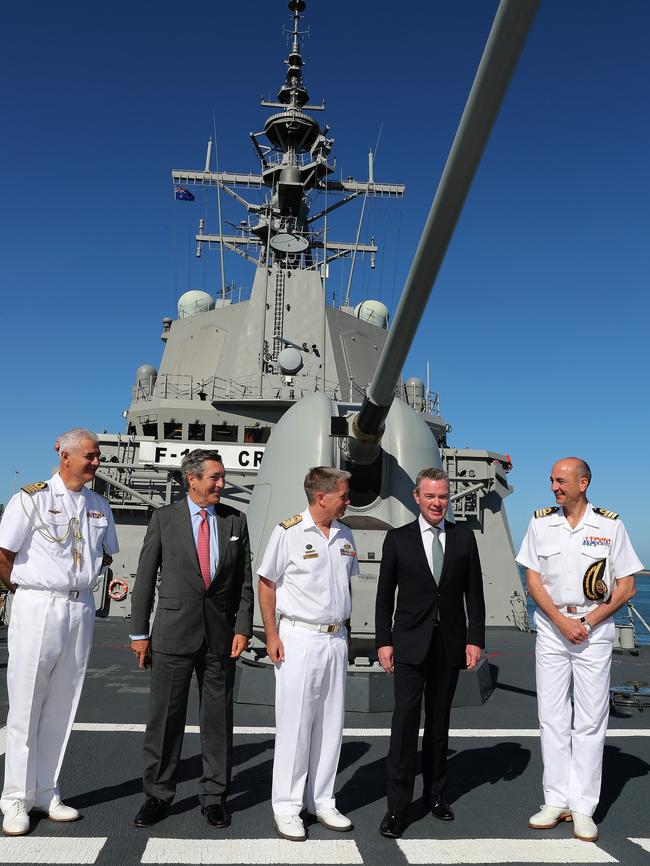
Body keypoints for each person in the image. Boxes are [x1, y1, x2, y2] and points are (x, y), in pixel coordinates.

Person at [516, 457, 642, 843]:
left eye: (561, 481)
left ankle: (584, 807)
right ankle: (555, 800)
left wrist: (587, 622)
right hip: (554, 630)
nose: (554, 486)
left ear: (583, 483)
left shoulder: (610, 524)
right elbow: (533, 579)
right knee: (552, 716)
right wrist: (559, 620)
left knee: (589, 719)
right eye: (552, 480)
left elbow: (627, 585)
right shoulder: (540, 523)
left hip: (594, 629)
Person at [0, 428, 118, 837]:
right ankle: (15, 798)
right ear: (64, 455)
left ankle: (47, 790)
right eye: (90, 455)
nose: (97, 462)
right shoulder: (30, 499)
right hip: (38, 604)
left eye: (97, 456)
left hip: (80, 605)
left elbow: (102, 557)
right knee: (27, 705)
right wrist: (24, 591)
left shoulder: (100, 505)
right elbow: (3, 554)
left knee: (63, 705)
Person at [130, 449, 253, 829]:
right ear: (192, 479)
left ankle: (214, 796)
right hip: (172, 635)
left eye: (222, 476)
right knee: (164, 720)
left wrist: (243, 628)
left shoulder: (236, 521)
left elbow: (245, 584)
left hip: (220, 639)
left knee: (217, 721)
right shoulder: (164, 519)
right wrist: (139, 633)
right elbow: (145, 578)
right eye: (214, 477)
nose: (221, 483)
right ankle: (157, 794)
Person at [375, 466, 485, 839]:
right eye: (431, 496)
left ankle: (435, 794)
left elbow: (475, 594)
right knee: (404, 726)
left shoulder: (463, 539)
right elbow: (383, 595)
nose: (437, 503)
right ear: (417, 498)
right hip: (409, 643)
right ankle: (397, 807)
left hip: (450, 644)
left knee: (439, 726)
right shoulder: (398, 539)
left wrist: (475, 639)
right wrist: (383, 640)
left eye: (443, 496)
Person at [258, 467, 358, 841]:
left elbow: (344, 586)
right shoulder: (288, 532)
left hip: (335, 639)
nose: (348, 501)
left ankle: (323, 800)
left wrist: (345, 631)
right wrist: (271, 634)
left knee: (331, 725)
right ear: (322, 497)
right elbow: (267, 583)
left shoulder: (346, 534)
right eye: (344, 496)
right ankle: (287, 806)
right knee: (296, 725)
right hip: (299, 637)